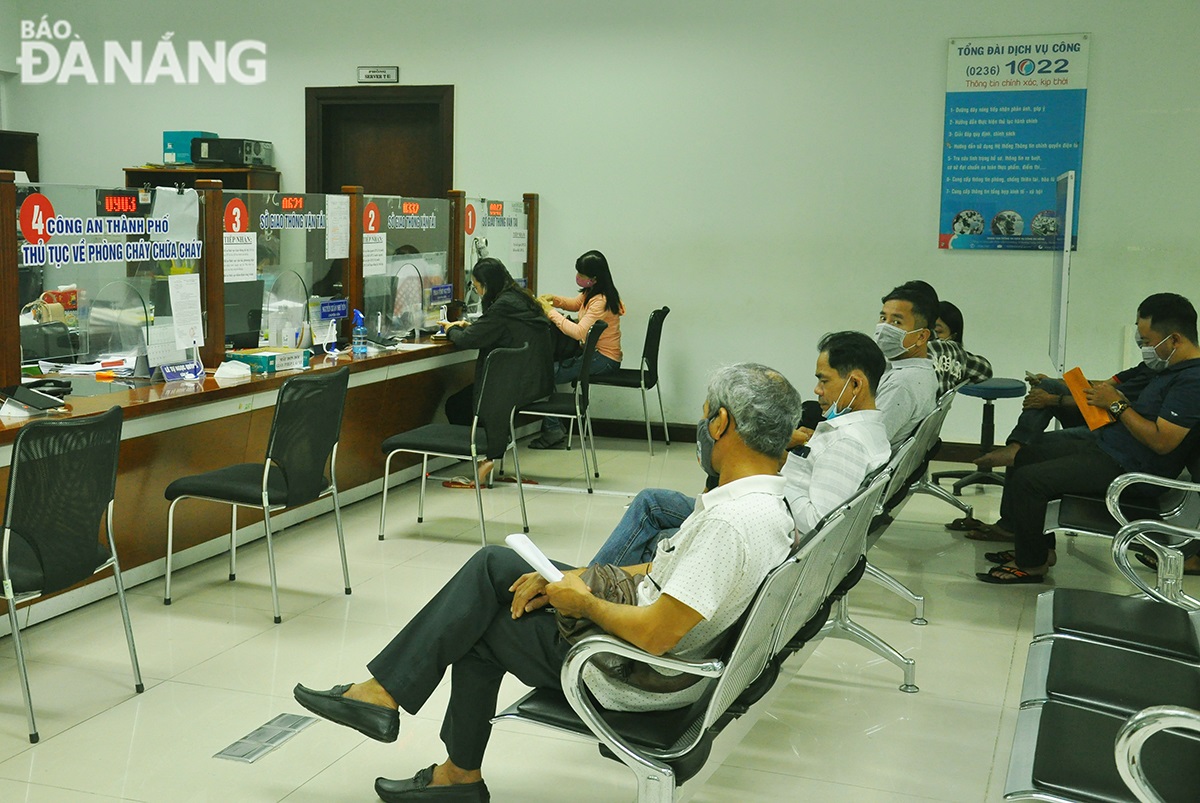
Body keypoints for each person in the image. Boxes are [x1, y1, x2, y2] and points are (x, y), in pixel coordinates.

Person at [293, 363, 801, 802]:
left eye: (706, 413)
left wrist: (583, 602)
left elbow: (656, 635)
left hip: (630, 670)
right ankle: (398, 712)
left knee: (478, 624)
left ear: (721, 423)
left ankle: (431, 749)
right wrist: (580, 577)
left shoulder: (729, 524)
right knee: (495, 566)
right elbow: (672, 573)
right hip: (660, 653)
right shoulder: (763, 508)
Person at [592, 331, 891, 567]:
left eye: (824, 381)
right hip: (775, 522)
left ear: (855, 384)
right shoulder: (867, 430)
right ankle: (586, 582)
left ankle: (585, 592)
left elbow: (818, 525)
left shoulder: (847, 442)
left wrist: (778, 473)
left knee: (651, 537)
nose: (818, 391)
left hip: (774, 536)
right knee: (651, 502)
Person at [977, 293, 1200, 584]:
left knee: (1030, 481)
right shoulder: (1168, 368)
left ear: (1174, 340)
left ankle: (1031, 565)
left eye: (1148, 342)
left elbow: (1162, 442)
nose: (1145, 348)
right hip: (1112, 446)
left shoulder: (1191, 382)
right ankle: (1040, 550)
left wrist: (1117, 405)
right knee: (1028, 453)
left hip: (1132, 469)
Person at [439, 257, 554, 488]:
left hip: (509, 387)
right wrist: (473, 327)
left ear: (487, 284)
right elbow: (500, 330)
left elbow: (468, 341)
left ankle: (484, 458)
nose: (477, 290)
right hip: (532, 381)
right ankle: (490, 455)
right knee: (466, 402)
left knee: (457, 405)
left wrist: (451, 329)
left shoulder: (502, 305)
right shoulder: (521, 298)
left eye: (476, 285)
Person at [530, 249, 624, 448]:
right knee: (549, 370)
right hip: (595, 355)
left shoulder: (601, 301)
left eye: (582, 275)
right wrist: (554, 300)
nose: (578, 278)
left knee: (547, 374)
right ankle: (555, 426)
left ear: (595, 278)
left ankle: (553, 429)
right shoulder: (593, 293)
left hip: (604, 359)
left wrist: (551, 313)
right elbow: (575, 304)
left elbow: (579, 332)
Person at [873, 282, 939, 447]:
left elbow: (869, 444)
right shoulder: (919, 369)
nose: (884, 328)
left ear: (922, 337)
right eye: (883, 318)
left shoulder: (902, 384)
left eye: (896, 322)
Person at [928, 298, 993, 394]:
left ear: (953, 336)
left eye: (937, 332)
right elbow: (985, 370)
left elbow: (985, 369)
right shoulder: (960, 357)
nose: (931, 336)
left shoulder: (950, 353)